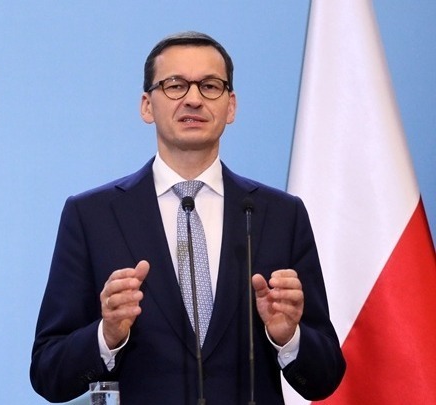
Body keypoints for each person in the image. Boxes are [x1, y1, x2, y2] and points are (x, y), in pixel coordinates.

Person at [30, 31, 345, 404]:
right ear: (147, 106)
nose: (193, 99)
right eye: (175, 85)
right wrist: (107, 334)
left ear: (230, 106)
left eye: (210, 86)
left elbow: (324, 378)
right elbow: (48, 373)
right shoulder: (92, 216)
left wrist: (287, 337)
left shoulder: (280, 215)